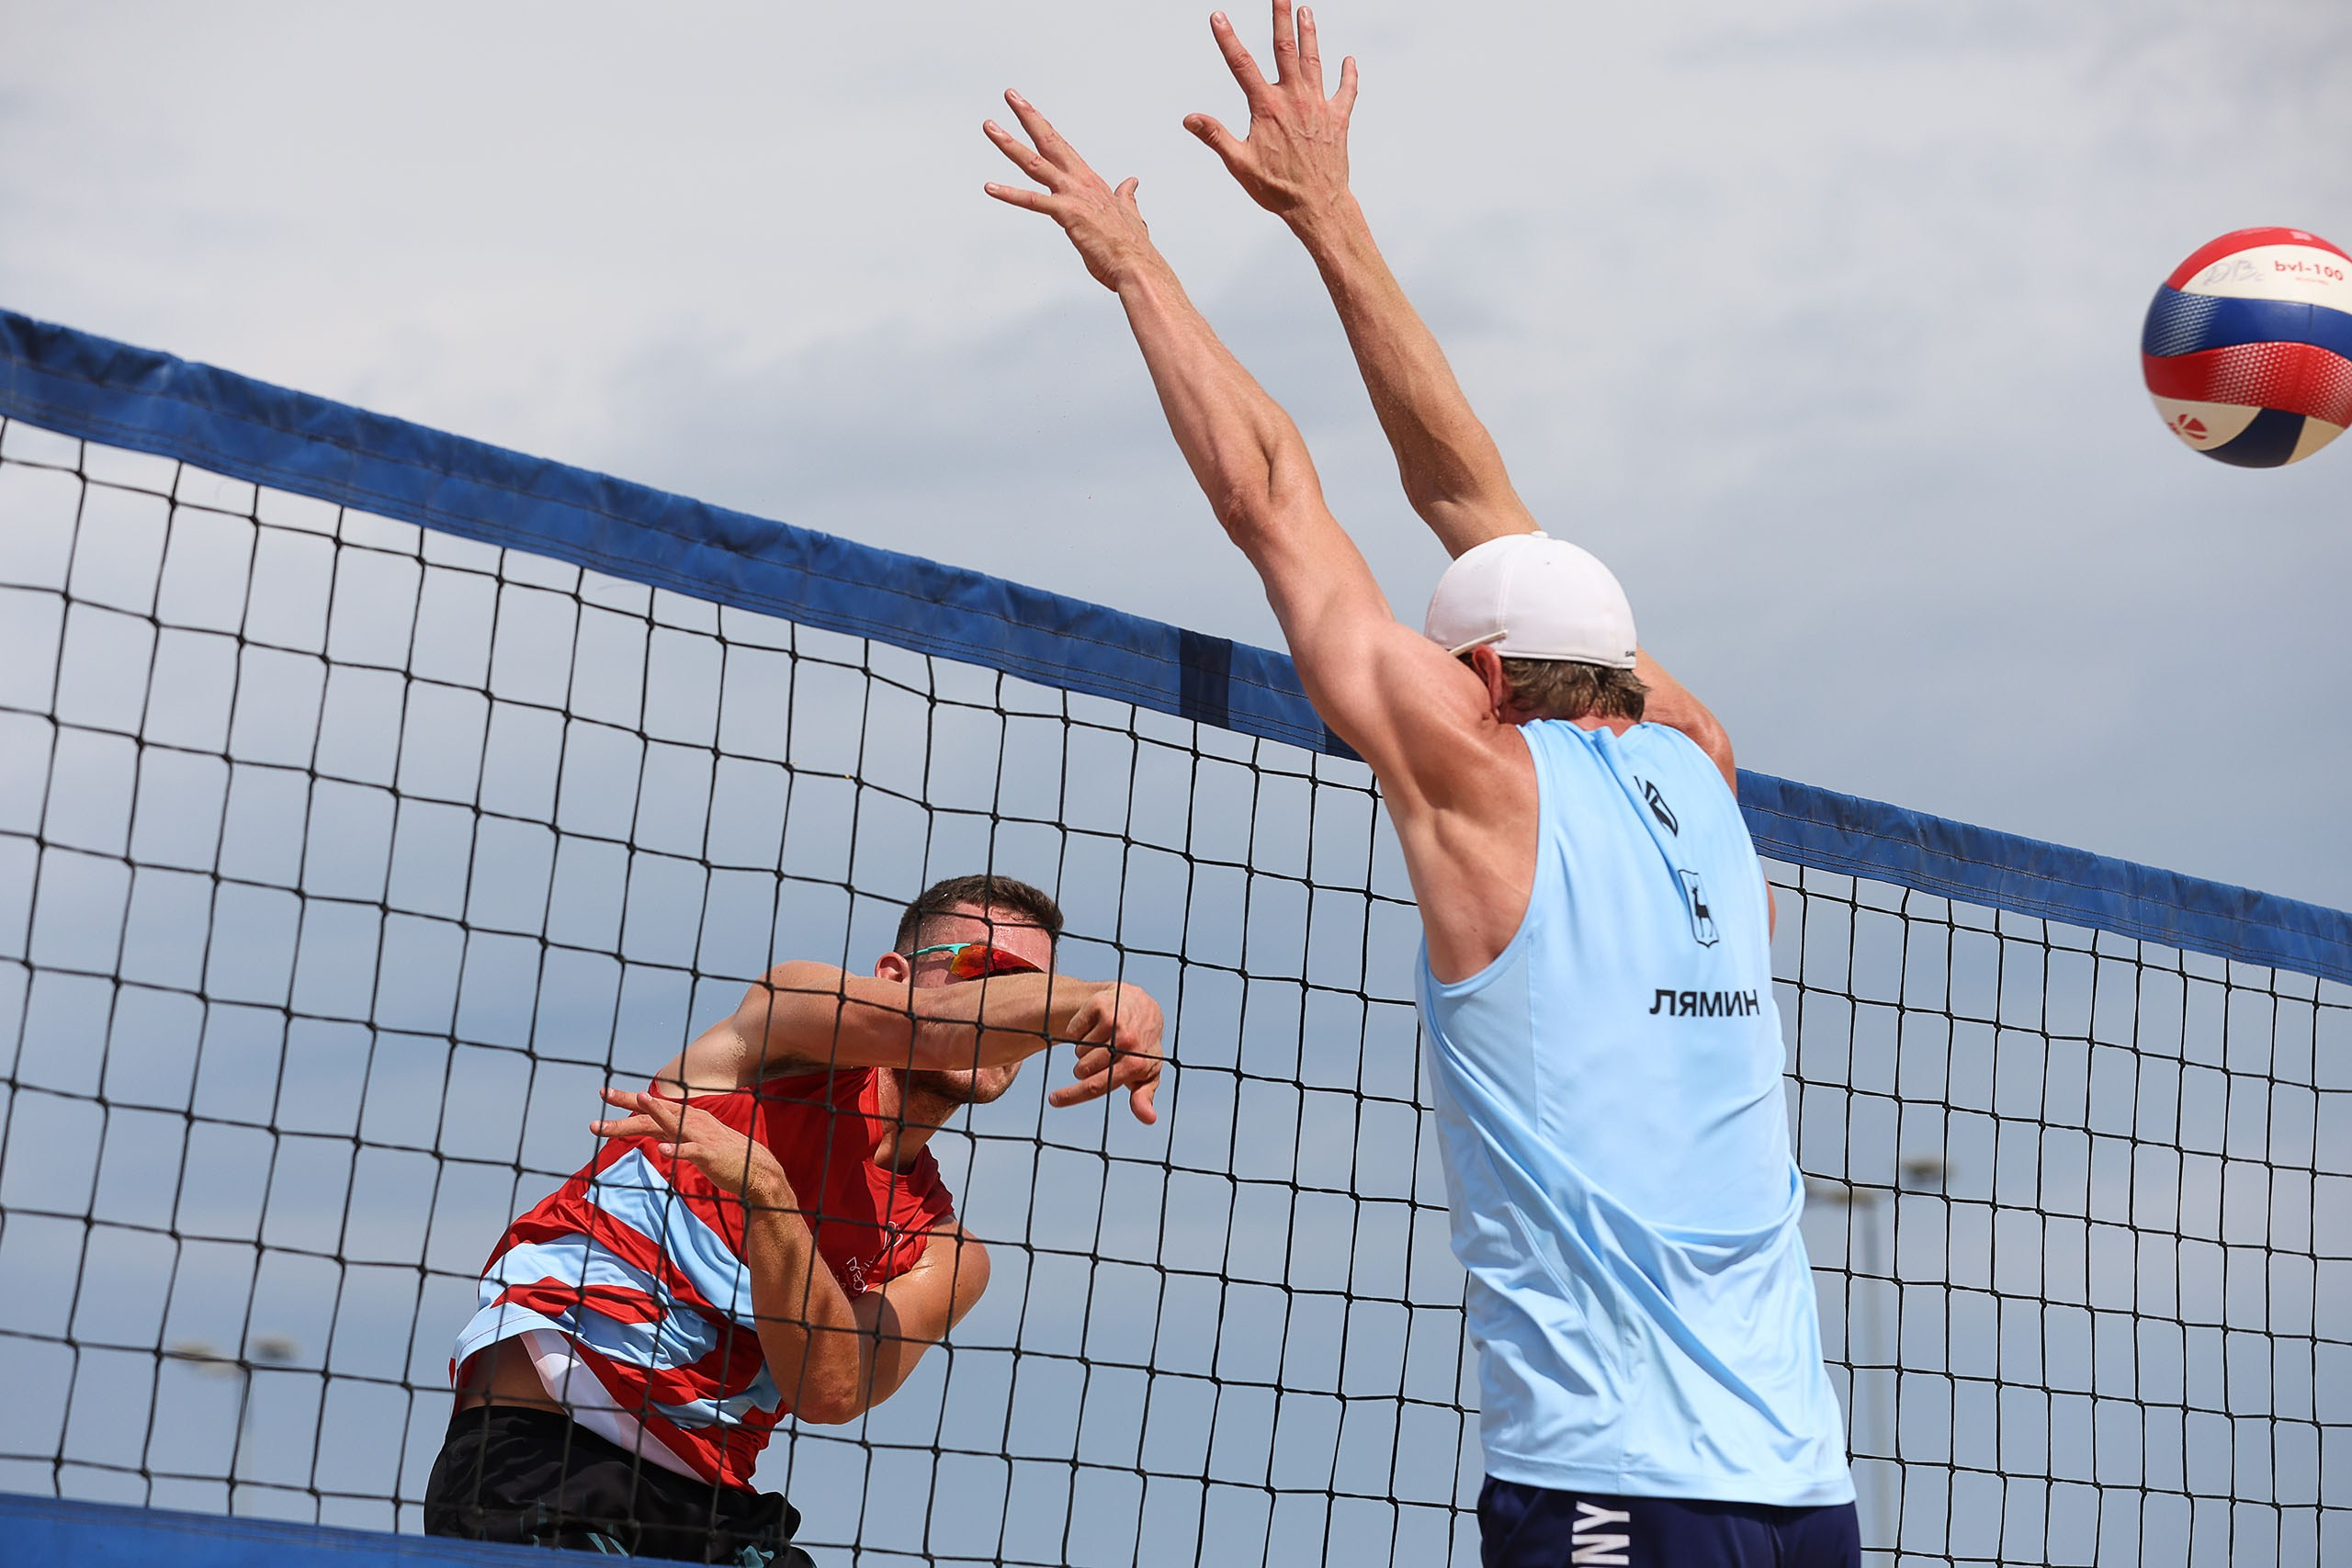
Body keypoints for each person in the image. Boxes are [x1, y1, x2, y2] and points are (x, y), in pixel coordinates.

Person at [983, 7, 1857, 1561]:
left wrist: (1135, 262)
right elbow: (1482, 508)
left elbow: (1275, 500)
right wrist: (1330, 216)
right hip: (1805, 1492)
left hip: (1614, 1487)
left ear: (1486, 680)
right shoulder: (1702, 765)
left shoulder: (1484, 782)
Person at [423, 874, 1164, 1564]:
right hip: (543, 1458)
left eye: (1032, 989)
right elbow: (933, 1026)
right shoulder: (783, 1028)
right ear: (893, 976)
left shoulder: (946, 1252)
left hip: (714, 1513)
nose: (1012, 1004)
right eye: (983, 968)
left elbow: (827, 1391)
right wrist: (1104, 1000)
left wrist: (768, 1194)